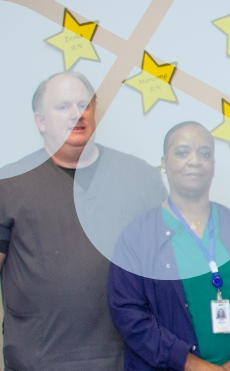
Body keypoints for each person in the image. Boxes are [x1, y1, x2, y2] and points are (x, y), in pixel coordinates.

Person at [0, 71, 167, 370]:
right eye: (63, 106)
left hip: (127, 359)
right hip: (38, 361)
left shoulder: (140, 178)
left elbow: (168, 269)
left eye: (84, 104)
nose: (77, 114)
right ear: (40, 120)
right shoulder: (9, 184)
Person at [108, 122, 230, 371]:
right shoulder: (138, 238)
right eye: (182, 152)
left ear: (213, 166)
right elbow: (127, 313)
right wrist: (189, 363)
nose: (195, 161)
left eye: (205, 153)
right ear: (164, 163)